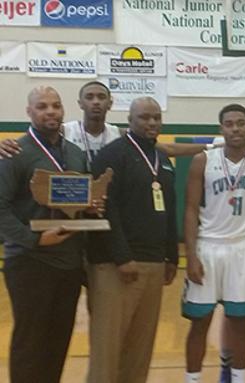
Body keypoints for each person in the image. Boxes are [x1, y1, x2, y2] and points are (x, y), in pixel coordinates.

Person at [0, 86, 93, 382]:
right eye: (42, 106)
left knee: (58, 341)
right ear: (29, 112)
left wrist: (92, 204)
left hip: (68, 263)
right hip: (29, 261)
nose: (50, 111)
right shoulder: (14, 152)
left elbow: (80, 203)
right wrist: (34, 238)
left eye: (55, 105)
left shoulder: (75, 153)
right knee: (31, 342)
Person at [183, 104, 245, 383]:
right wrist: (190, 255)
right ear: (221, 128)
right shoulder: (203, 160)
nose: (235, 128)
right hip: (208, 246)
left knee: (240, 322)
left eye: (240, 123)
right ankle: (193, 379)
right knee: (200, 323)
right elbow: (189, 209)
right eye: (229, 124)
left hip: (244, 249)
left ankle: (238, 378)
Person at [88, 97, 179, 383]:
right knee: (108, 348)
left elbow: (170, 207)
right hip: (117, 267)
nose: (151, 123)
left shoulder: (163, 160)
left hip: (154, 263)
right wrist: (121, 256)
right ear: (129, 120)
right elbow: (106, 209)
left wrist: (172, 257)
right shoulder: (111, 155)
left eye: (156, 117)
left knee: (140, 349)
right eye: (144, 117)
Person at [0, 81, 212, 160]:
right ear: (80, 103)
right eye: (89, 97)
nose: (95, 102)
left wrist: (212, 146)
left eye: (101, 98)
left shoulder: (119, 134)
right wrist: (5, 145)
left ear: (110, 104)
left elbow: (167, 149)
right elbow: (32, 143)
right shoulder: (64, 130)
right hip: (74, 202)